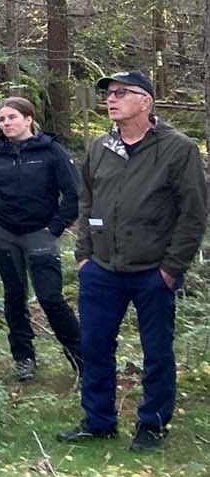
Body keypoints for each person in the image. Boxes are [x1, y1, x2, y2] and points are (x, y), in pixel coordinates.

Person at [58, 70, 207, 451]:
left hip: (152, 271)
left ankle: (153, 425)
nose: (111, 99)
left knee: (156, 352)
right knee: (94, 346)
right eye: (108, 93)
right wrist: (85, 255)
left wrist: (171, 269)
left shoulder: (177, 149)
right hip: (102, 269)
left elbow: (193, 214)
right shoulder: (100, 147)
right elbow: (86, 198)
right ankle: (98, 420)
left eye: (122, 93)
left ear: (146, 101)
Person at [0, 96, 81, 381]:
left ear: (28, 119)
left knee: (50, 297)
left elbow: (73, 194)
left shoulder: (51, 151)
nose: (6, 123)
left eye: (12, 117)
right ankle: (23, 358)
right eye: (2, 118)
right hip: (4, 234)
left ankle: (82, 358)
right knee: (14, 296)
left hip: (40, 233)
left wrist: (55, 227)